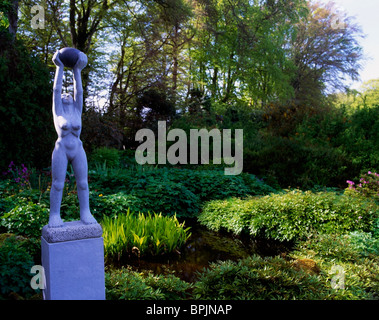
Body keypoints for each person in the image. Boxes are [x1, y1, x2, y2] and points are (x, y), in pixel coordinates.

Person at [49, 49, 97, 227]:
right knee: (58, 184)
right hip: (61, 149)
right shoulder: (59, 112)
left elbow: (80, 91)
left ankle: (85, 212)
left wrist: (77, 69)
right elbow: (56, 89)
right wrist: (59, 67)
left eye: (69, 94)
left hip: (77, 149)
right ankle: (55, 215)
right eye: (64, 95)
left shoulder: (77, 111)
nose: (66, 94)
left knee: (83, 183)